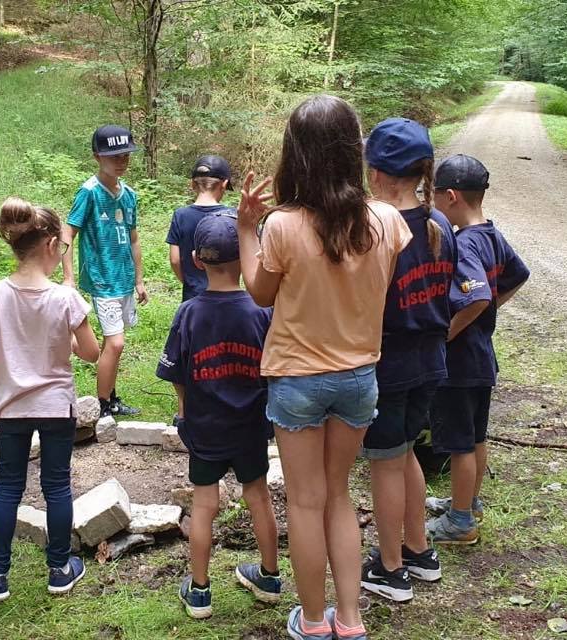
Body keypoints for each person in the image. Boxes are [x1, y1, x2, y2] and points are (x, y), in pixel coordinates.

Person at [236, 95, 413, 640]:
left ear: (295, 153)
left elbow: (260, 294)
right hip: (359, 378)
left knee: (306, 501)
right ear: (354, 150)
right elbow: (376, 286)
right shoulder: (387, 221)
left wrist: (245, 228)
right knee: (339, 496)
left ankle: (313, 622)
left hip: (297, 379)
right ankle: (351, 620)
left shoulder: (281, 226)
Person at [0, 197, 100, 603]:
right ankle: (59, 570)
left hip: (11, 408)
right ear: (51, 245)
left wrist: (5, 341)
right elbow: (91, 352)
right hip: (56, 406)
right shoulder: (65, 298)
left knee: (9, 486)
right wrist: (64, 343)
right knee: (56, 485)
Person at [156, 214, 280, 620]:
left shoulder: (188, 313)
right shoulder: (262, 312)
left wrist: (184, 411)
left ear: (196, 260)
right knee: (258, 495)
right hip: (250, 425)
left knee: (204, 503)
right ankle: (269, 577)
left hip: (205, 426)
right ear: (248, 257)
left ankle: (200, 591)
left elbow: (176, 373)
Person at [360, 118, 456, 602]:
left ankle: (391, 568)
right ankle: (419, 550)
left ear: (376, 172)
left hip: (389, 363)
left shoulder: (376, 228)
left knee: (384, 463)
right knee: (404, 455)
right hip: (431, 361)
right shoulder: (440, 223)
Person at [424, 155, 530, 544]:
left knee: (459, 443)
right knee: (475, 437)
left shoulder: (464, 243)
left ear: (451, 196)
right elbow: (518, 274)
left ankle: (460, 521)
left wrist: (446, 335)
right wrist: (488, 309)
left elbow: (477, 296)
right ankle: (467, 501)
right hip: (481, 357)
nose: (432, 202)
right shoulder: (491, 235)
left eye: (434, 195)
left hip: (460, 363)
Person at [62, 124, 148, 419]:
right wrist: (69, 278)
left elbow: (133, 238)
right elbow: (67, 233)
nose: (121, 161)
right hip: (101, 279)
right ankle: (102, 406)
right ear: (97, 157)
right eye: (114, 156)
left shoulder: (130, 195)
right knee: (116, 342)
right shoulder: (88, 192)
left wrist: (139, 279)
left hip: (123, 278)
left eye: (125, 155)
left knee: (113, 343)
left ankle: (111, 396)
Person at [167, 154, 236, 302]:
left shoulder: (180, 215)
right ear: (224, 184)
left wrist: (188, 283)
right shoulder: (232, 216)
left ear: (192, 184)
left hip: (193, 293)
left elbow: (174, 260)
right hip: (227, 294)